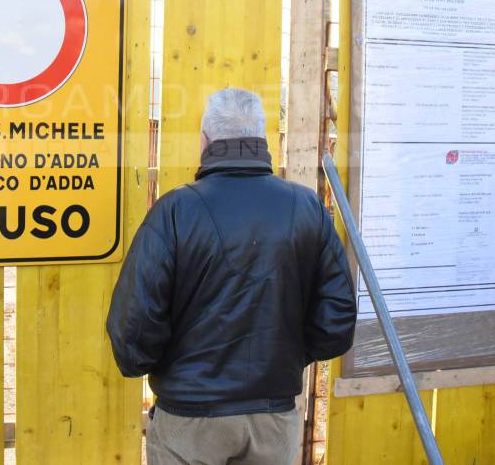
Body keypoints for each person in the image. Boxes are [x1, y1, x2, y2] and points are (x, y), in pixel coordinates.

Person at [106, 87, 357, 465]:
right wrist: (286, 356)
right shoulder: (307, 208)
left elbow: (134, 329)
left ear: (205, 140)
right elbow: (337, 320)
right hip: (274, 416)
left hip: (190, 419)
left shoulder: (175, 211)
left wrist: (160, 365)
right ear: (261, 138)